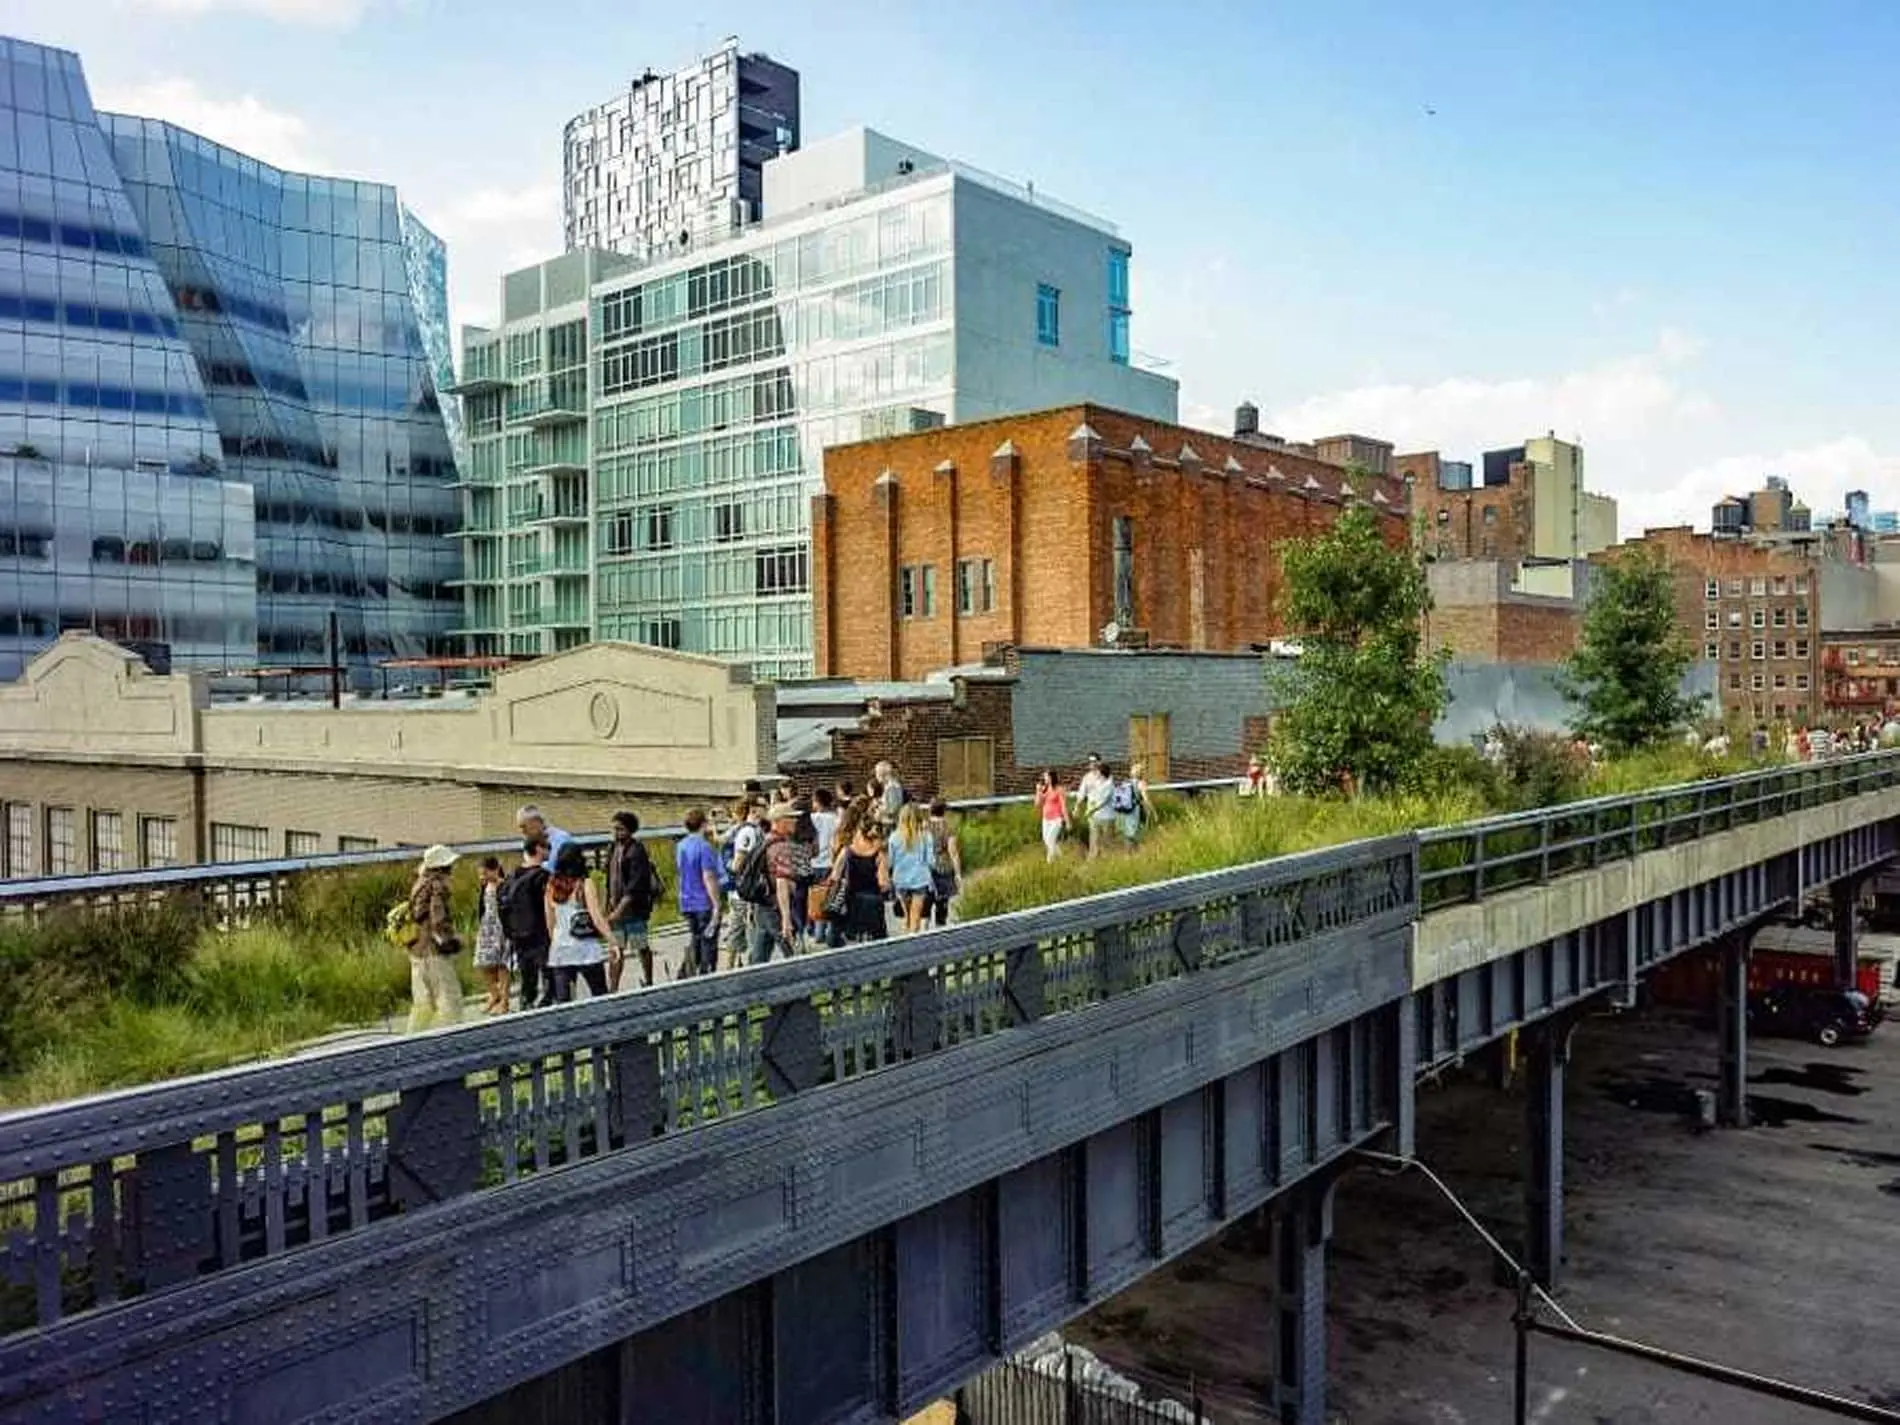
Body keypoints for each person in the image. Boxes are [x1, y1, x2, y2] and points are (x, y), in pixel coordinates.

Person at [404, 844, 463, 1032]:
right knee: (449, 1000)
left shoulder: (419, 884)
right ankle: (449, 1040)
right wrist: (449, 942)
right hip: (434, 952)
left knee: (423, 1003)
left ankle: (412, 1040)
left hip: (417, 950)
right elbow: (438, 919)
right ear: (441, 867)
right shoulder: (437, 886)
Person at [545, 842, 610, 1002]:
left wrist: (555, 941)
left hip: (561, 950)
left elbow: (550, 922)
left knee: (564, 1001)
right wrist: (612, 940)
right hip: (586, 948)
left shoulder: (551, 886)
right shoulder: (585, 884)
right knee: (600, 995)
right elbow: (597, 917)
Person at [605, 810, 663, 989]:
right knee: (616, 948)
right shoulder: (613, 848)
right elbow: (609, 879)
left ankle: (648, 980)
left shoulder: (636, 851)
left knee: (640, 945)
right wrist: (608, 906)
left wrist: (619, 910)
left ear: (630, 830)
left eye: (620, 829)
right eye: (614, 829)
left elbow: (635, 886)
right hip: (616, 906)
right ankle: (613, 987)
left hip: (634, 910)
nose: (616, 833)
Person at [749, 804, 809, 965]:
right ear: (780, 821)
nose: (795, 821)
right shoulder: (781, 847)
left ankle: (752, 978)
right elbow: (782, 882)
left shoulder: (764, 841)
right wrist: (786, 919)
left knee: (759, 956)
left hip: (762, 905)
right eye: (791, 818)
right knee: (794, 955)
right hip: (777, 907)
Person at [826, 805, 892, 943]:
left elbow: (835, 876)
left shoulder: (847, 851)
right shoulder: (879, 855)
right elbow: (883, 883)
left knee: (853, 938)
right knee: (876, 940)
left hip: (851, 900)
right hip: (873, 902)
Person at [499, 838, 553, 1009]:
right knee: (549, 974)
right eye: (548, 848)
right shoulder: (543, 876)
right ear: (538, 849)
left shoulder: (510, 878)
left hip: (517, 935)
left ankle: (526, 1004)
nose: (550, 852)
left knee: (527, 976)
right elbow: (549, 907)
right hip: (540, 932)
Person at [675, 809, 723, 977]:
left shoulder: (681, 846)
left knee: (695, 939)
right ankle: (706, 975)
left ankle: (688, 974)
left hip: (687, 900)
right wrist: (717, 905)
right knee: (708, 943)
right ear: (704, 825)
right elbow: (708, 876)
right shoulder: (705, 847)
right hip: (703, 901)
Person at [721, 797, 767, 970]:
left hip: (741, 891)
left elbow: (737, 864)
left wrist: (726, 864)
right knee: (751, 929)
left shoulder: (744, 833)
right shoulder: (758, 831)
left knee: (736, 930)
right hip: (755, 888)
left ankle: (730, 970)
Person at [887, 801, 936, 934]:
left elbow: (890, 862)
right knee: (916, 917)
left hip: (901, 881)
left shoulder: (894, 837)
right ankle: (913, 940)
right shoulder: (926, 836)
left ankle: (906, 935)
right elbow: (931, 861)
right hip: (920, 879)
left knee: (907, 917)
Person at [473, 855, 509, 1014]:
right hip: (487, 927)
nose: (483, 877)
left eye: (485, 872)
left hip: (501, 926)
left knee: (502, 964)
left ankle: (504, 1000)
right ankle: (494, 993)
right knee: (483, 962)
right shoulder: (485, 886)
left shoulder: (504, 885)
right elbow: (482, 907)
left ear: (495, 870)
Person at [924, 798, 963, 927]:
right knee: (942, 907)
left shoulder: (923, 827)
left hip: (925, 868)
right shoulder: (948, 829)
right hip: (943, 868)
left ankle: (923, 932)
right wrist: (958, 874)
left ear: (931, 810)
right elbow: (953, 853)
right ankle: (939, 931)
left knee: (925, 908)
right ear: (944, 811)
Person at [1075, 753, 1115, 860]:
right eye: (1090, 762)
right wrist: (1077, 807)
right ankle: (1092, 862)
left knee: (1107, 842)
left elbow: (1105, 798)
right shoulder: (1087, 777)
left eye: (1094, 761)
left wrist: (1092, 809)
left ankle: (1109, 862)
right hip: (1092, 815)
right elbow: (1081, 794)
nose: (1092, 764)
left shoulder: (1107, 776)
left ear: (1099, 762)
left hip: (1106, 814)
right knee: (1094, 841)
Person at [1114, 761, 1156, 848]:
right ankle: (1135, 851)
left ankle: (1127, 851)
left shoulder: (1125, 782)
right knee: (1135, 833)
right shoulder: (1141, 783)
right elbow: (1146, 799)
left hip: (1123, 810)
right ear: (1141, 773)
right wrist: (1154, 812)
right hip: (1134, 810)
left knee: (1126, 833)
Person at [1036, 769, 1068, 862]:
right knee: (1047, 840)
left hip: (1056, 819)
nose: (1044, 779)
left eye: (1046, 776)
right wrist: (1038, 791)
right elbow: (1037, 804)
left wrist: (1067, 820)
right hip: (1046, 819)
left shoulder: (1059, 789)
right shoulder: (1044, 789)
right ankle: (1061, 858)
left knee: (1050, 840)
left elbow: (1063, 806)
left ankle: (1050, 862)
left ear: (1051, 777)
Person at [876, 760, 906, 828]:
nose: (876, 776)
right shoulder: (890, 786)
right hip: (889, 822)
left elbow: (893, 808)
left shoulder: (892, 787)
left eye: (877, 773)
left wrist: (880, 810)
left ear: (882, 774)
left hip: (890, 824)